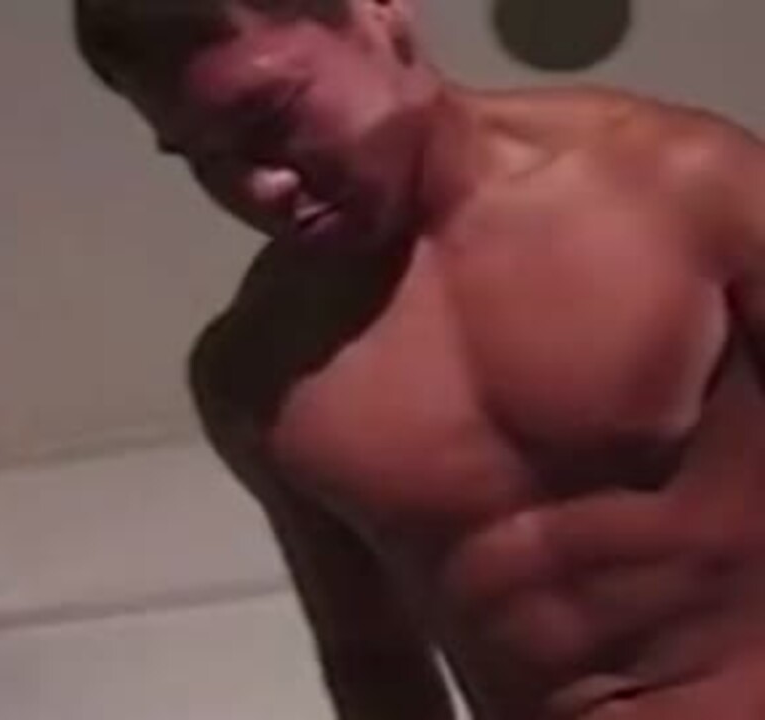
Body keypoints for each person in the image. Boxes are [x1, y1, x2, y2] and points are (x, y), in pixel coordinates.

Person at [73, 1, 765, 718]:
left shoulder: (688, 189)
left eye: (270, 116)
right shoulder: (256, 373)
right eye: (204, 158)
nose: (260, 187)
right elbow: (372, 660)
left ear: (380, 12)